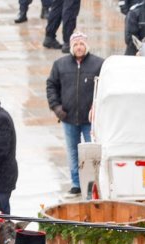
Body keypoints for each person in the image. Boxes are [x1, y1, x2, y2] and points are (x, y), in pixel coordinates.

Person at [45, 33, 104, 195]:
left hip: (90, 119)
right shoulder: (60, 65)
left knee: (92, 152)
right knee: (73, 151)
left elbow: (104, 88)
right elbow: (51, 86)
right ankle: (76, 183)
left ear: (87, 45)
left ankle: (93, 182)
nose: (79, 47)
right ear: (71, 46)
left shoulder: (99, 64)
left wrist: (96, 107)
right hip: (68, 118)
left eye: (82, 44)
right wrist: (56, 107)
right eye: (76, 44)